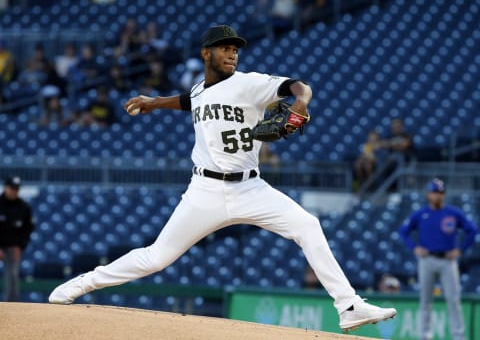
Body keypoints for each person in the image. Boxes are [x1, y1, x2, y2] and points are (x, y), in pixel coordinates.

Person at [48, 24, 396, 332]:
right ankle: (84, 283)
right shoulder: (201, 89)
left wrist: (301, 103)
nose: (232, 54)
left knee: (307, 226)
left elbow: (299, 86)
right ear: (206, 53)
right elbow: (189, 101)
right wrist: (154, 102)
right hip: (205, 191)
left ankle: (348, 307)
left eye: (235, 49)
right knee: (156, 258)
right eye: (225, 48)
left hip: (250, 187)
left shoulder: (251, 84)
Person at [399, 179, 478, 340]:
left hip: (448, 261)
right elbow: (403, 231)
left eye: (440, 192)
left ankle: (458, 336)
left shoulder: (453, 213)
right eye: (435, 192)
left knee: (453, 300)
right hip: (427, 259)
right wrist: (414, 248)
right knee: (425, 300)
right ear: (428, 194)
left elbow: (472, 230)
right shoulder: (421, 214)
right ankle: (424, 336)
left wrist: (460, 250)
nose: (437, 195)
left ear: (444, 194)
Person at [0, 176, 34, 301]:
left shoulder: (24, 207)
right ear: (5, 187)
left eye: (17, 189)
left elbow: (27, 229)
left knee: (13, 276)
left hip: (13, 246)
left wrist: (20, 247)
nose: (14, 191)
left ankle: (12, 305)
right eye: (12, 188)